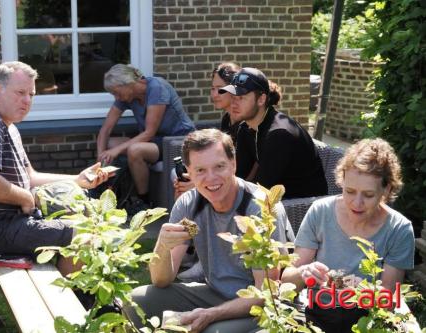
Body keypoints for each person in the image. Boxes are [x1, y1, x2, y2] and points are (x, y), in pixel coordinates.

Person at [126, 129, 294, 333]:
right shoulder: (188, 204)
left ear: (233, 164)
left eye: (219, 166)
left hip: (263, 305)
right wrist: (162, 246)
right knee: (137, 300)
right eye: (200, 170)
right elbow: (161, 280)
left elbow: (265, 292)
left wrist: (211, 314)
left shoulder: (261, 208)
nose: (211, 178)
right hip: (214, 293)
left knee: (212, 331)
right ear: (188, 170)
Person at [0, 61, 110, 276]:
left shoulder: (7, 125)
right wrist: (26, 198)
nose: (26, 101)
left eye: (31, 94)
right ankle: (77, 301)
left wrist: (77, 180)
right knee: (85, 233)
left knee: (82, 217)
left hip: (11, 225)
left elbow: (30, 177)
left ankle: (77, 297)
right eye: (20, 93)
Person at [281, 138, 415, 332]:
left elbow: (388, 303)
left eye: (368, 195)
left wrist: (360, 290)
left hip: (366, 319)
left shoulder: (399, 229)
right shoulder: (321, 212)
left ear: (386, 189)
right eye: (350, 191)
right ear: (341, 181)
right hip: (316, 312)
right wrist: (303, 273)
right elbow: (286, 282)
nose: (356, 203)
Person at [96, 64, 195, 211]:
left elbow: (149, 132)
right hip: (153, 141)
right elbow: (106, 129)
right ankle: (112, 190)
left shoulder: (157, 88)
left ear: (128, 84)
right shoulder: (126, 97)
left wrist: (116, 151)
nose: (116, 97)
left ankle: (144, 201)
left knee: (134, 150)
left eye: (117, 93)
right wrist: (100, 159)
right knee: (110, 143)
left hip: (177, 141)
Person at [219, 67, 328, 199]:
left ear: (261, 99)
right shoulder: (246, 128)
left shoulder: (279, 134)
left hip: (300, 206)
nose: (233, 104)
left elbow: (262, 188)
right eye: (233, 96)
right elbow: (239, 174)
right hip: (275, 201)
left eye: (241, 97)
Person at [173, 62, 257, 199]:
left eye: (220, 88)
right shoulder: (226, 119)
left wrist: (198, 183)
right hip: (221, 177)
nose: (214, 94)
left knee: (187, 191)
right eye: (212, 88)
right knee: (180, 182)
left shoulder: (247, 124)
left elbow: (248, 173)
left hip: (239, 188)